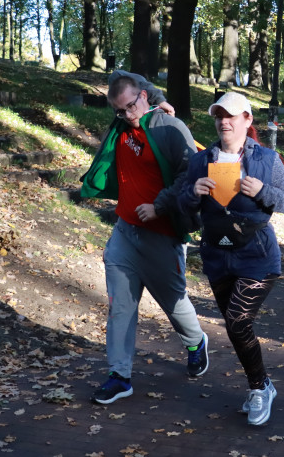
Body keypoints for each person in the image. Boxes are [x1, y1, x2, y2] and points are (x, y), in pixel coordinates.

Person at [79, 74, 208, 405]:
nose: (126, 115)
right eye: (119, 111)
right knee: (120, 306)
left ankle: (195, 341)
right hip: (124, 231)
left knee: (174, 303)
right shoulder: (123, 124)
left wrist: (160, 205)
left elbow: (191, 173)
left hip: (162, 234)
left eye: (131, 106)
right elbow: (127, 98)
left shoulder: (169, 127)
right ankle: (119, 376)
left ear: (145, 96)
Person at [180, 92, 284, 426]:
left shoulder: (267, 159)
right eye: (219, 116)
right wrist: (193, 194)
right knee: (236, 328)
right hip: (217, 256)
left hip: (257, 256)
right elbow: (184, 209)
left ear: (247, 120)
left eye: (231, 116)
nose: (224, 122)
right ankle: (261, 384)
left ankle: (260, 387)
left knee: (236, 319)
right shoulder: (200, 161)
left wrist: (262, 191)